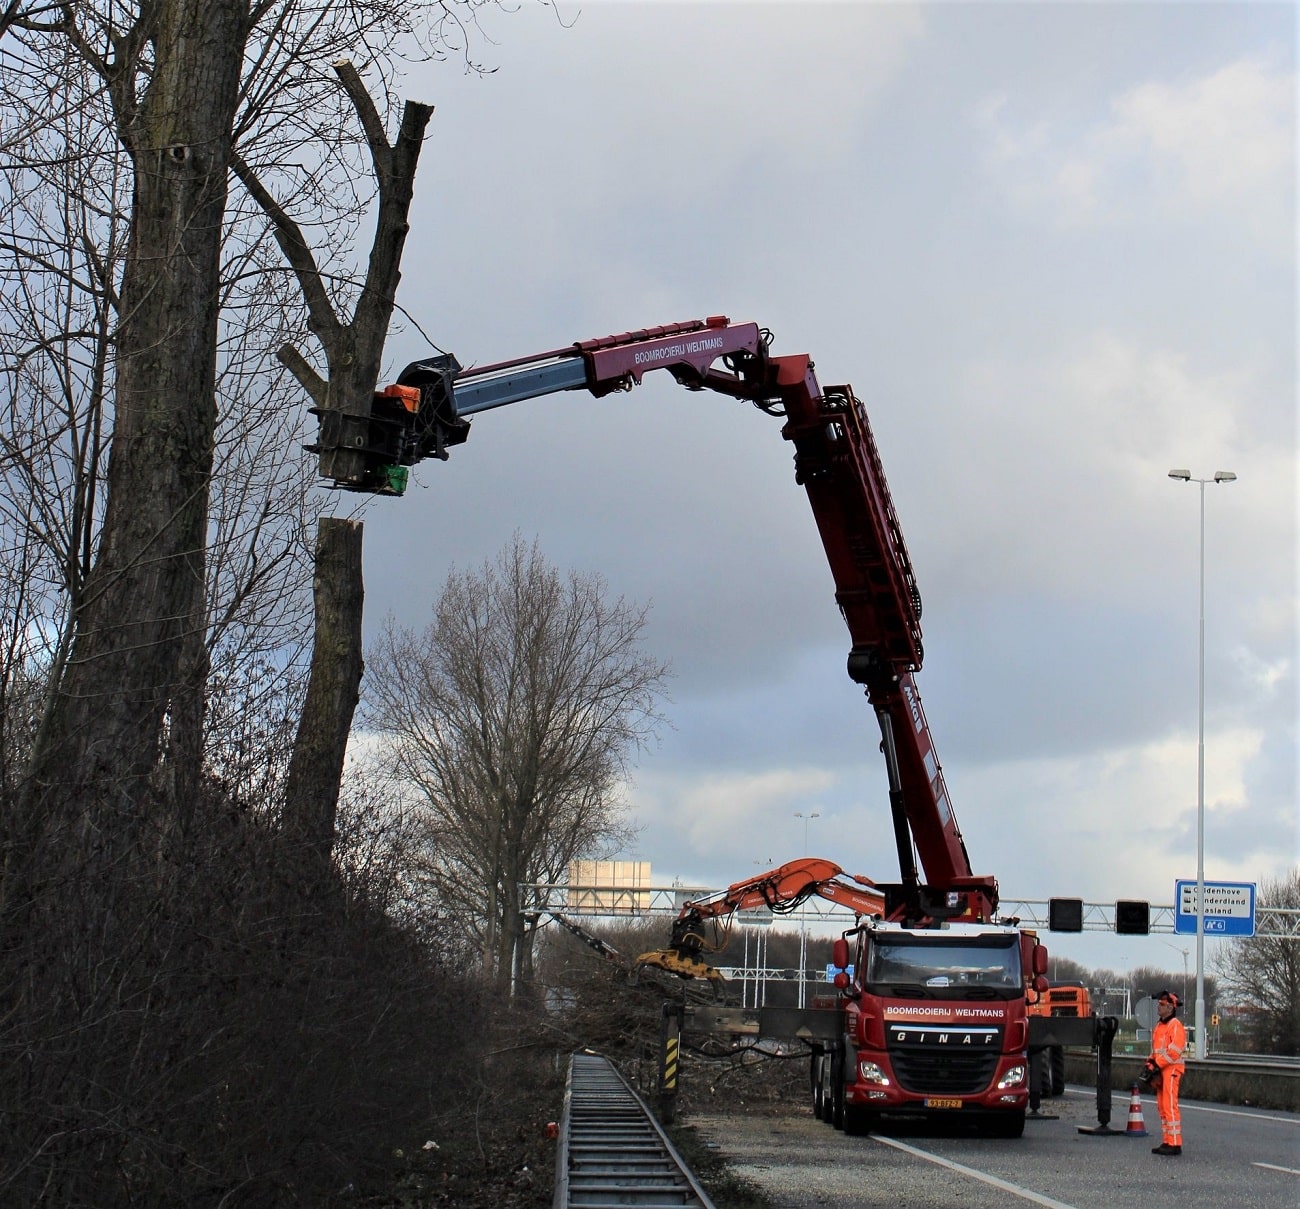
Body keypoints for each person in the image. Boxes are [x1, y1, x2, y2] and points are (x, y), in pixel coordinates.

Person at [1141, 989, 1187, 1156]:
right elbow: (1156, 1051)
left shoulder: (1175, 1026)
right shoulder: (1159, 1027)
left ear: (1170, 1007)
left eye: (1162, 1004)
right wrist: (1149, 1064)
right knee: (1162, 1106)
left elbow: (1174, 1051)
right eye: (1159, 1004)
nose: (1158, 1007)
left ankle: (1174, 1143)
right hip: (1161, 1070)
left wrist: (1156, 1064)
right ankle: (1167, 1140)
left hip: (1172, 1069)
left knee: (1169, 1105)